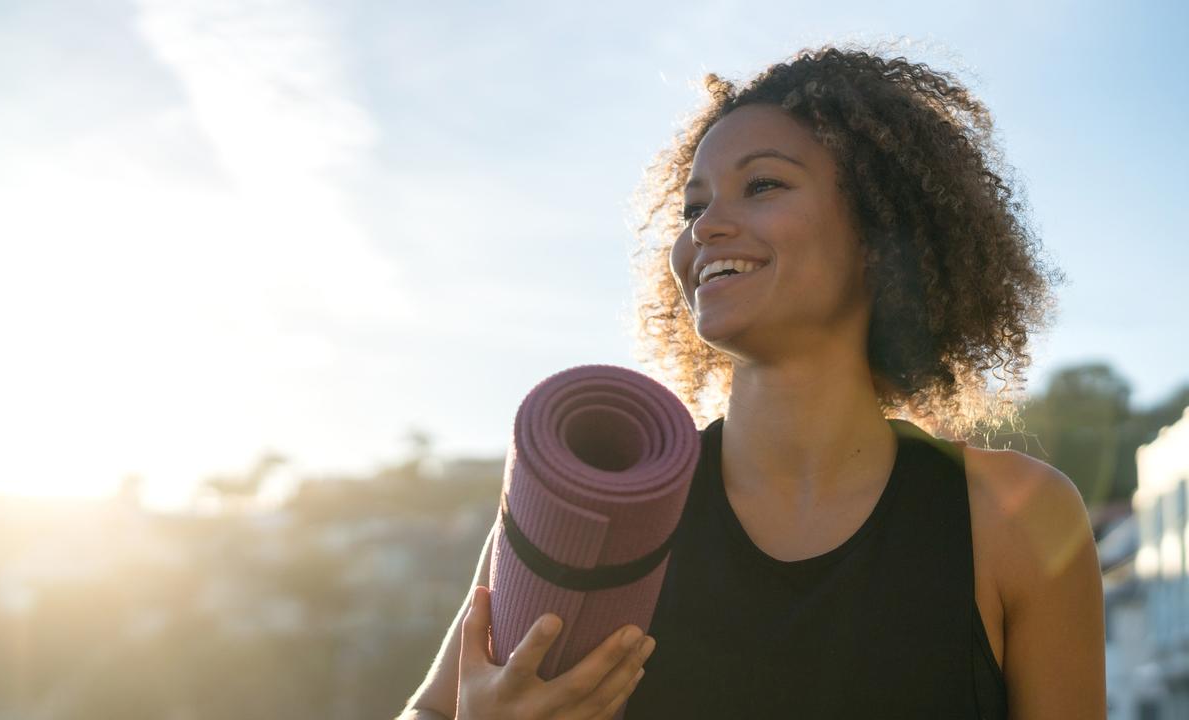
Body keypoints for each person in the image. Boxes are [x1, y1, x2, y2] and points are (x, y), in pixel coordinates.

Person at [399, 44, 1105, 720]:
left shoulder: (1017, 517)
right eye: (693, 208)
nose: (706, 228)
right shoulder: (596, 502)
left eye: (762, 185)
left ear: (882, 228)